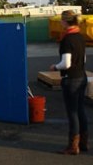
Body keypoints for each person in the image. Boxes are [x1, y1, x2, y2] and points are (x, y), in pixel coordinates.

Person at [49, 10, 89, 155]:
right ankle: (83, 143)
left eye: (61, 20)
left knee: (72, 113)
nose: (60, 22)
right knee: (80, 110)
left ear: (65, 21)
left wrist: (55, 67)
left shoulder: (67, 39)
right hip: (82, 77)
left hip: (71, 79)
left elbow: (66, 63)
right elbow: (83, 59)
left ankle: (73, 146)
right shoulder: (80, 37)